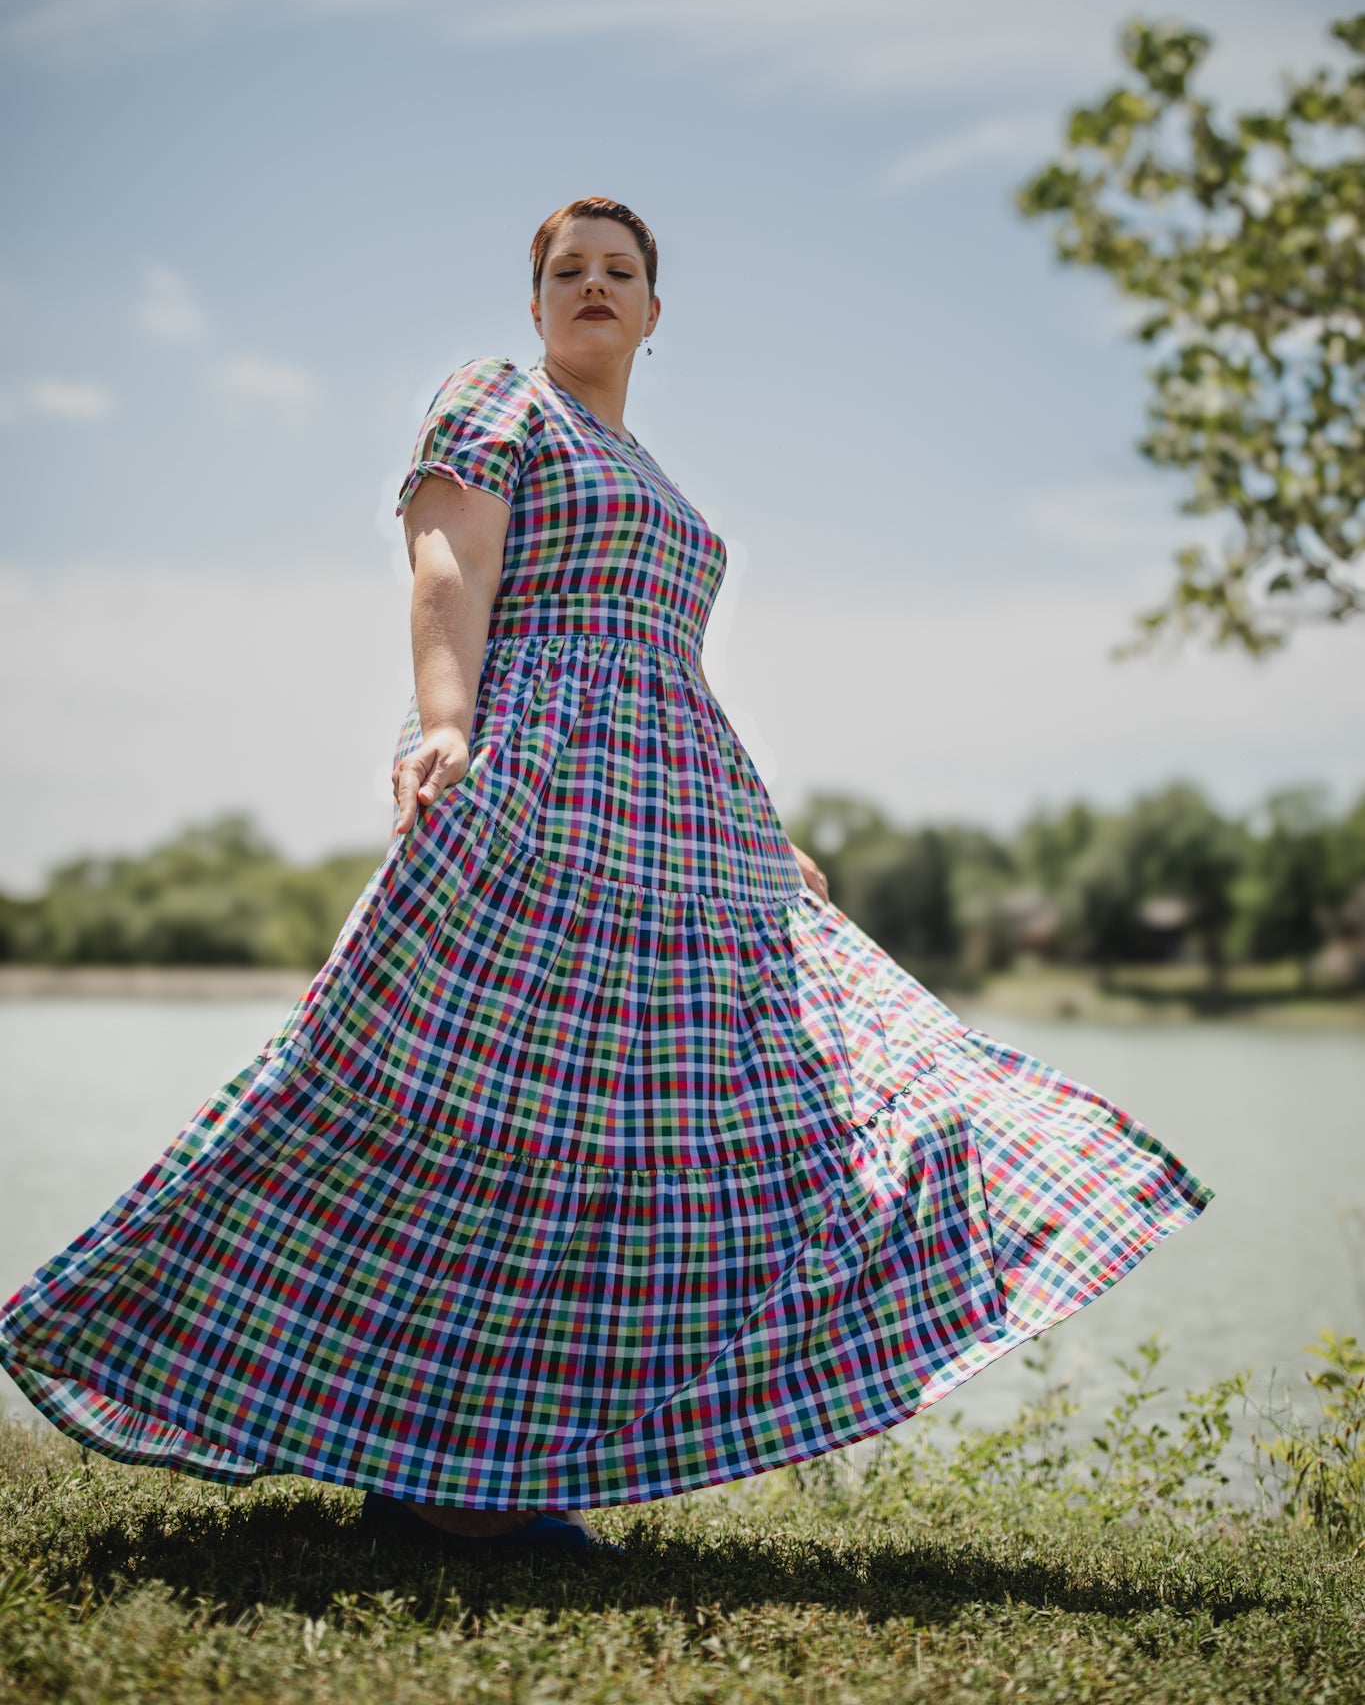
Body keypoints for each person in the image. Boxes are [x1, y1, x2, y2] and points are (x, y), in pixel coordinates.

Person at [0, 196, 1212, 1557]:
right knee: (478, 1119)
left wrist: (762, 829)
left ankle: (502, 1462)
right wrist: (446, 718)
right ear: (534, 308)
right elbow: (447, 563)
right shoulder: (495, 402)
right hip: (541, 793)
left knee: (662, 1144)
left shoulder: (659, 479)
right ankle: (434, 1472)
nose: (590, 285)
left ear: (652, 311)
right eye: (563, 271)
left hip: (676, 822)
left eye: (617, 271)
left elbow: (675, 674)